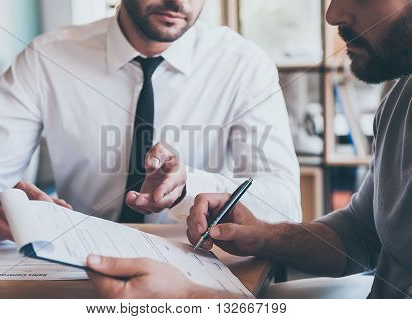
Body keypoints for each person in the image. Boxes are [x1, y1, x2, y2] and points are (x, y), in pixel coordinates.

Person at [85, 0, 412, 299]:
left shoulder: (241, 61)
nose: (333, 15)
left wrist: (190, 300)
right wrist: (265, 236)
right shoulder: (399, 101)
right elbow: (362, 235)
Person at [0, 0, 301, 239]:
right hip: (77, 263)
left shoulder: (244, 65)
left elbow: (283, 206)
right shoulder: (45, 60)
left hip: (201, 262)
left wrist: (188, 188)